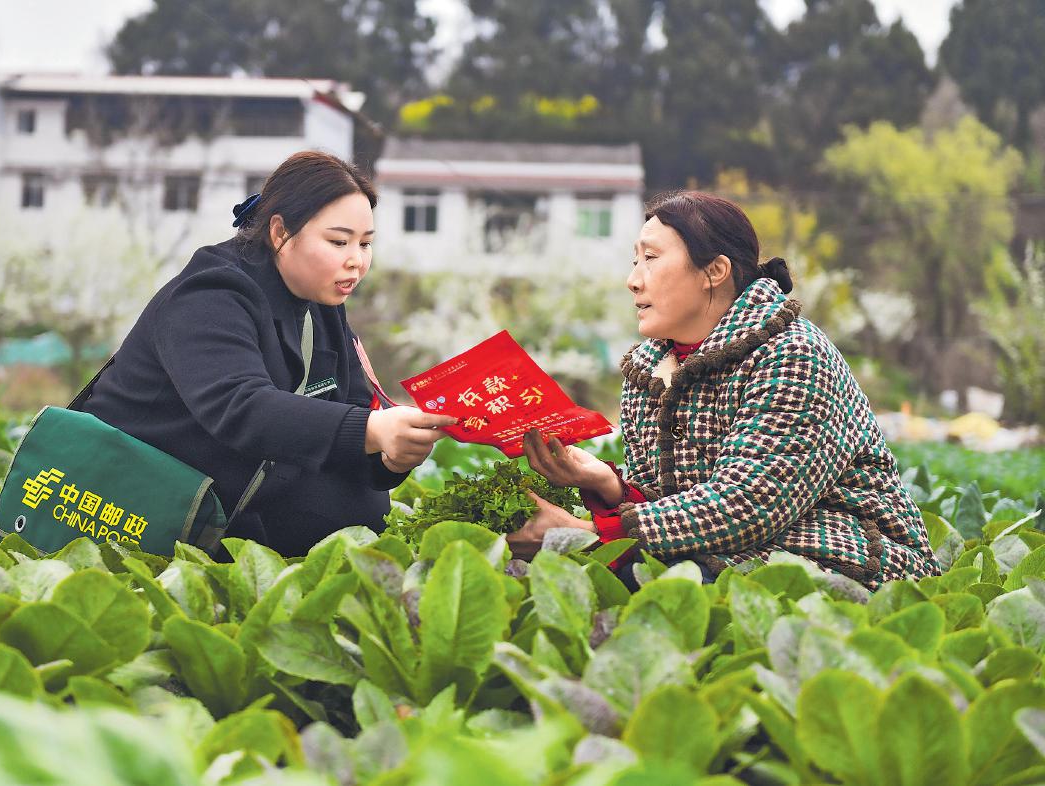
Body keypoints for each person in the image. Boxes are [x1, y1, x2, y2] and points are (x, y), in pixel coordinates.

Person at [509, 191, 940, 590]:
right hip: (738, 554)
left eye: (651, 259)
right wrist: (607, 485)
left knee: (644, 582)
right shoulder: (648, 370)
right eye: (634, 261)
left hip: (852, 561)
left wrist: (584, 535)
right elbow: (674, 509)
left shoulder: (793, 354)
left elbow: (748, 505)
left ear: (714, 271)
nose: (633, 281)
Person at [81, 151, 455, 558]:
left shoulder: (322, 303)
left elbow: (348, 409)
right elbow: (240, 407)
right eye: (338, 241)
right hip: (138, 499)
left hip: (231, 489)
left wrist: (390, 458)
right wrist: (370, 429)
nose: (357, 261)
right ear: (279, 232)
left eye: (365, 243)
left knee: (358, 500)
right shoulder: (210, 294)